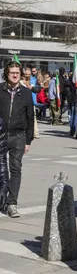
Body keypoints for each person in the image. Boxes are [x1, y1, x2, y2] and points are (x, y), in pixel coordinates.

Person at [0, 62, 34, 218]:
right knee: (1, 170)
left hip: (18, 136)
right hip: (1, 135)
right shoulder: (0, 90)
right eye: (11, 72)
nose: (14, 75)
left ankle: (12, 203)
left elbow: (30, 117)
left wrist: (28, 140)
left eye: (17, 73)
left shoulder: (26, 93)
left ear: (21, 74)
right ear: (6, 74)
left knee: (15, 169)